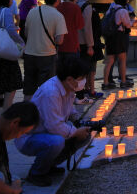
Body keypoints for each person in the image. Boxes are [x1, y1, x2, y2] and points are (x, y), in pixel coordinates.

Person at [15, 57, 92, 187]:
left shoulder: (67, 88)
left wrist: (80, 122)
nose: (84, 81)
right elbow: (54, 126)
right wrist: (75, 132)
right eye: (81, 78)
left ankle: (49, 165)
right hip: (28, 138)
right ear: (69, 79)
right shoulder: (51, 93)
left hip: (45, 132)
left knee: (83, 136)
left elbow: (69, 110)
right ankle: (36, 173)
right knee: (57, 141)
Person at [22, 0, 66, 101]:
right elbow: (59, 40)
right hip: (47, 55)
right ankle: (43, 114)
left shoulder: (32, 11)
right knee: (46, 88)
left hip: (29, 54)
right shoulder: (58, 16)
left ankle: (27, 114)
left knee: (29, 88)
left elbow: (26, 33)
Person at [75, 0, 103, 101]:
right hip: (85, 42)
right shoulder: (86, 6)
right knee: (87, 69)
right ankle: (85, 92)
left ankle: (82, 91)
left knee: (80, 69)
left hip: (75, 41)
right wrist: (90, 45)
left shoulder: (77, 2)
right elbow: (87, 27)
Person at [101, 0, 133, 90]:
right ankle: (123, 81)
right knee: (122, 59)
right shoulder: (123, 11)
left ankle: (105, 82)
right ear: (126, 0)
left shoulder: (111, 9)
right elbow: (128, 25)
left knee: (109, 61)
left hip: (110, 37)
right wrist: (133, 22)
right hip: (119, 36)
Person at [57, 0, 84, 67]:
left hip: (59, 46)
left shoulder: (58, 7)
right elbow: (80, 25)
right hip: (72, 45)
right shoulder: (76, 8)